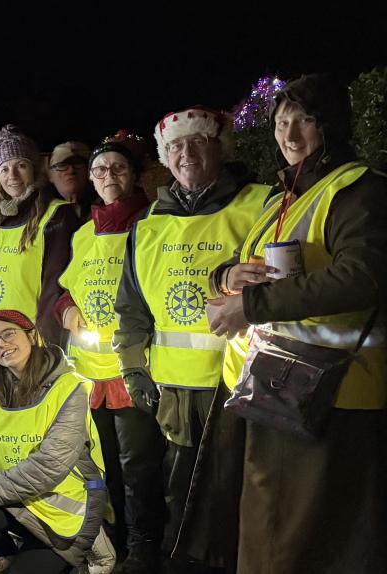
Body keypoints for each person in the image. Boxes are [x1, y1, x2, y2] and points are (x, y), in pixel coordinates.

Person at [177, 74, 387, 574]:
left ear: (330, 125)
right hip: (270, 390)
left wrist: (250, 307)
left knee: (309, 543)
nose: (290, 135)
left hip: (331, 396)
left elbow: (362, 277)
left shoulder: (360, 189)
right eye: (281, 122)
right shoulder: (282, 196)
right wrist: (229, 276)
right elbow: (239, 264)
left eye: (305, 121)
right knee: (268, 533)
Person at [112, 107, 269, 566]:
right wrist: (134, 369)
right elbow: (132, 309)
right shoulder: (147, 225)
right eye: (176, 146)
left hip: (243, 383)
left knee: (240, 489)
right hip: (175, 391)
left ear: (219, 147)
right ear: (165, 157)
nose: (187, 154)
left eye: (198, 142)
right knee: (182, 493)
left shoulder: (261, 203)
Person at [56, 132, 163, 571]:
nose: (107, 176)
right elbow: (65, 291)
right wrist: (67, 313)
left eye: (118, 168)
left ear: (135, 174)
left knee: (138, 465)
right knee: (102, 464)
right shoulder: (84, 233)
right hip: (89, 372)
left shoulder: (153, 223)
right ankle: (110, 537)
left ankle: (143, 544)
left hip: (132, 368)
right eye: (100, 170)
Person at [0, 310, 110, 574]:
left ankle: (94, 545)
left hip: (65, 506)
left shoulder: (69, 387)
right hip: (20, 497)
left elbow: (50, 465)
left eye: (8, 334)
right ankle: (9, 551)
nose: (1, 344)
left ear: (32, 336)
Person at [0, 125, 77, 350]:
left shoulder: (56, 215)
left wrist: (48, 342)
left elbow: (56, 284)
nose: (12, 176)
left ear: (34, 170)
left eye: (21, 166)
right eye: (4, 169)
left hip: (31, 343)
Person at [47, 141, 96, 221]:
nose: (71, 170)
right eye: (62, 165)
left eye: (78, 163)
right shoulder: (41, 213)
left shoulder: (106, 207)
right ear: (50, 175)